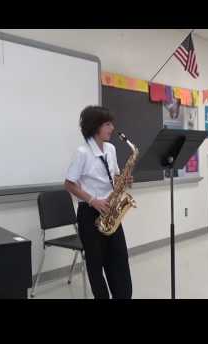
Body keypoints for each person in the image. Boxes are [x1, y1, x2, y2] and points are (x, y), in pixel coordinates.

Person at [64, 105, 132, 299]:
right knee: (96, 264)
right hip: (90, 213)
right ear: (95, 126)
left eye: (111, 123)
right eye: (107, 124)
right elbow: (69, 184)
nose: (112, 128)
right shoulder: (82, 152)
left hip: (110, 211)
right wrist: (93, 200)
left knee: (119, 258)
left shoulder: (110, 148)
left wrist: (124, 180)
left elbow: (116, 176)